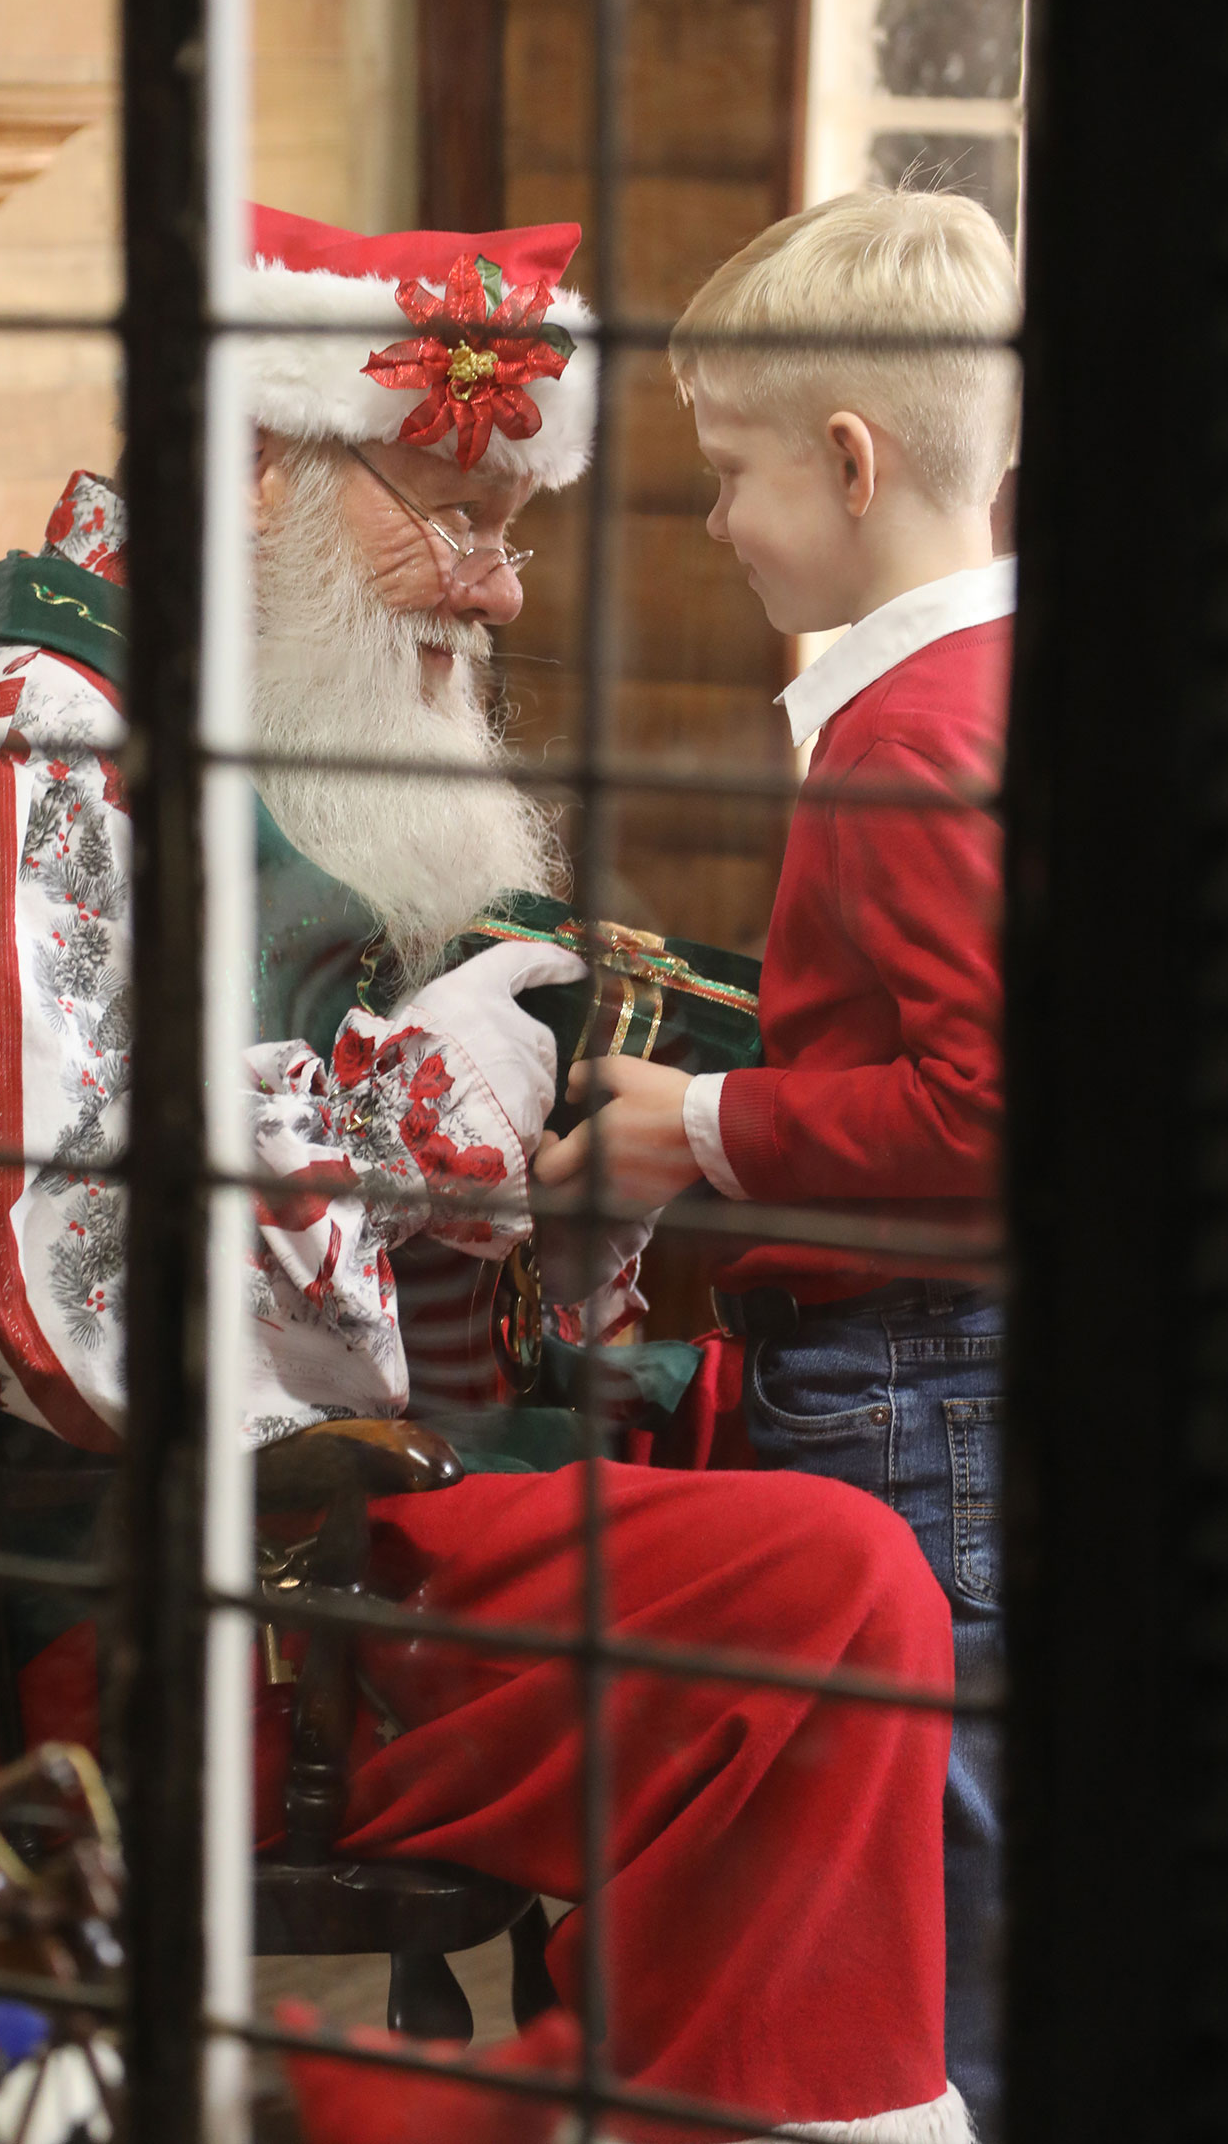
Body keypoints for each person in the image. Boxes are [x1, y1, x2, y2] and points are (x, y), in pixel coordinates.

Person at [0, 207, 968, 2144]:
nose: (499, 591)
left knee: (797, 1459)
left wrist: (509, 1150)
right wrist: (399, 1130)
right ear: (260, 464)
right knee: (834, 1585)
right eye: (447, 508)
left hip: (271, 1535)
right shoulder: (21, 735)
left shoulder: (210, 724)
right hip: (85, 1620)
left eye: (511, 525)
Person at [535, 187, 1019, 2137]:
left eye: (730, 473)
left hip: (909, 1388)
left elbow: (990, 1123)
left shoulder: (906, 740)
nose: (716, 522)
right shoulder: (999, 683)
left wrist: (700, 1127)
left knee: (913, 1888)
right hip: (957, 1381)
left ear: (850, 457)